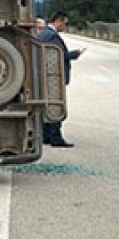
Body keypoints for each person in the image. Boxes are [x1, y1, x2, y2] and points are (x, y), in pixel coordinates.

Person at [39, 10, 85, 147]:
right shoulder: (52, 36)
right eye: (64, 24)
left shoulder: (44, 33)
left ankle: (46, 135)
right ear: (58, 21)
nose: (64, 27)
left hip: (46, 75)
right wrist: (75, 54)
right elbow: (59, 55)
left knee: (47, 105)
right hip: (53, 77)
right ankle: (55, 137)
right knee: (56, 106)